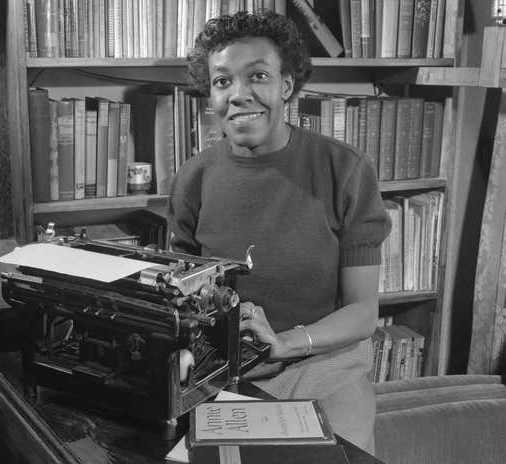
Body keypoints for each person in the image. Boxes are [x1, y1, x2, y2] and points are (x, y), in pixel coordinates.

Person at [167, 10, 391, 454]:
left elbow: (364, 312)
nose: (239, 95)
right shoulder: (192, 179)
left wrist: (286, 343)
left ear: (286, 85)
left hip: (324, 365)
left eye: (258, 76)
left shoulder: (345, 170)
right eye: (222, 81)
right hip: (222, 372)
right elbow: (180, 299)